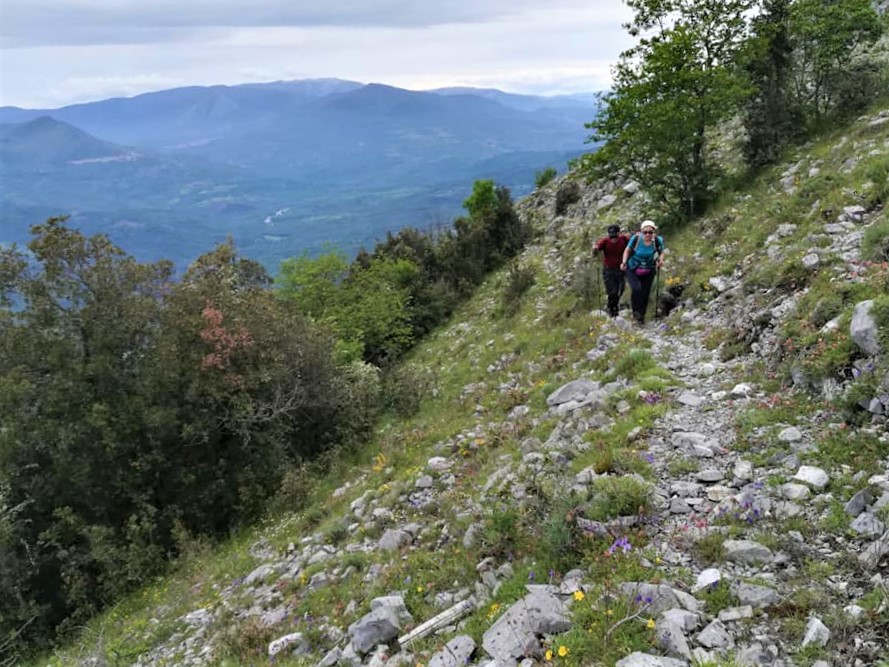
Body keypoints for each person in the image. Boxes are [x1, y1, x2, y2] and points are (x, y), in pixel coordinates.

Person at [620, 220, 665, 324]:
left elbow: (661, 252)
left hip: (649, 269)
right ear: (641, 232)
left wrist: (661, 260)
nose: (648, 234)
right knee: (636, 289)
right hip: (632, 267)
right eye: (645, 232)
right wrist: (624, 262)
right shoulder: (636, 239)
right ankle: (636, 314)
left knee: (645, 293)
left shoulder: (658, 240)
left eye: (650, 232)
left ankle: (641, 318)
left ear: (654, 232)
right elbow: (627, 250)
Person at [592, 224, 629, 317]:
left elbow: (631, 247)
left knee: (621, 289)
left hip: (621, 269)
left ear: (618, 233)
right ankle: (612, 310)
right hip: (609, 270)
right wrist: (595, 249)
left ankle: (614, 306)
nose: (613, 239)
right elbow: (596, 251)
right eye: (611, 236)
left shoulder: (624, 239)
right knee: (612, 291)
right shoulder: (605, 241)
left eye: (615, 236)